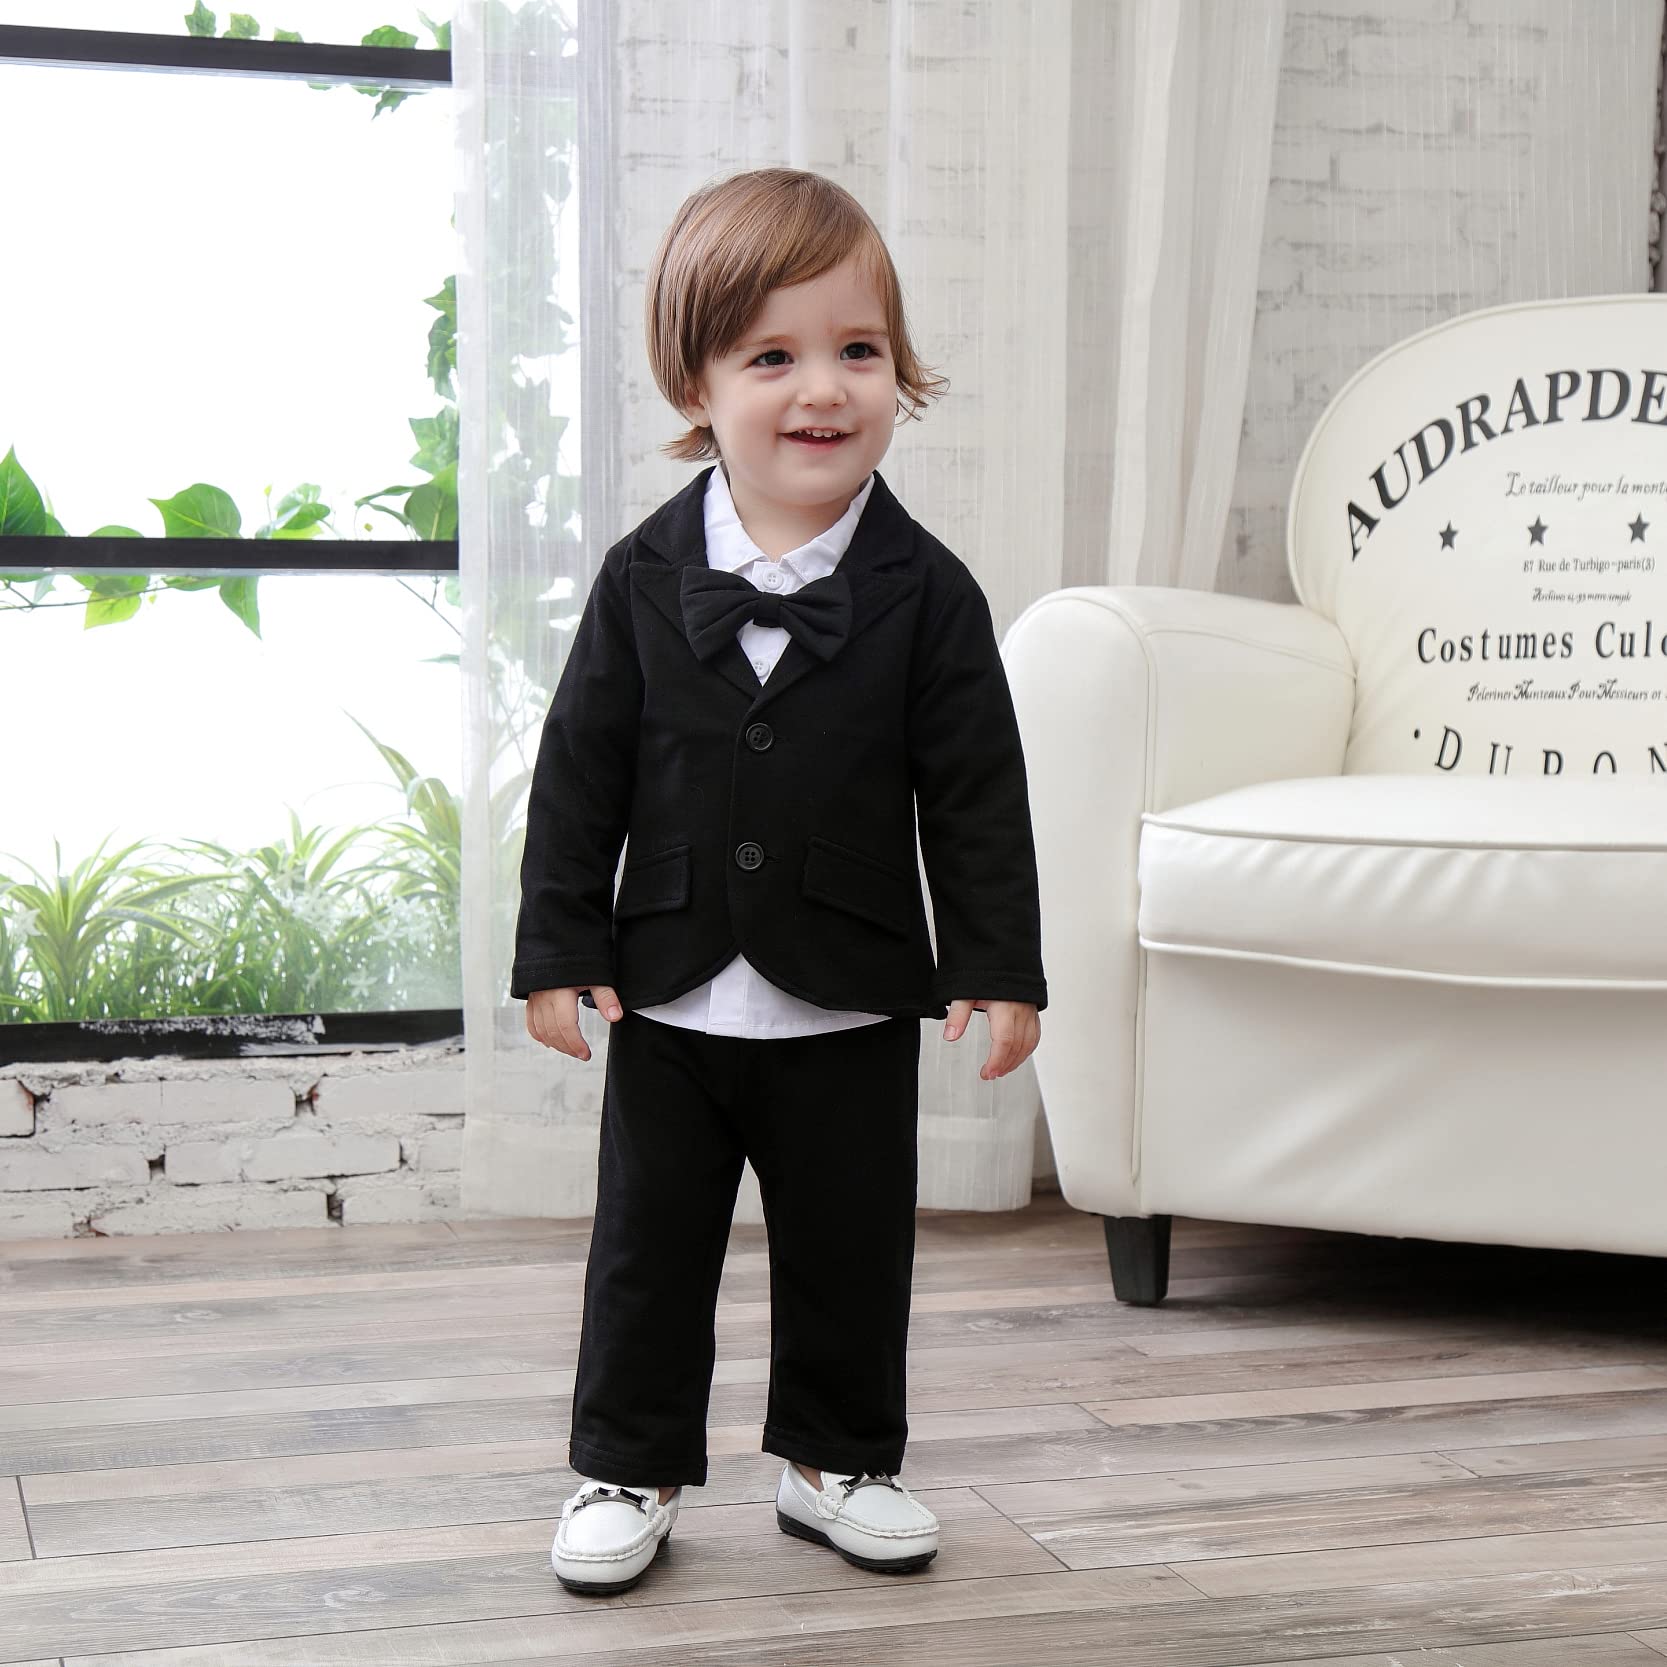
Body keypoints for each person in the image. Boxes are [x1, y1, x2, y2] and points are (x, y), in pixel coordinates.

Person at [511, 166, 1048, 1596]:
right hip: (672, 992)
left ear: (897, 370)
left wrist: (996, 965)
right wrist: (559, 947)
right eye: (772, 357)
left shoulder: (929, 593)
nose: (823, 389)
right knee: (648, 1248)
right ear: (696, 382)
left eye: (857, 350)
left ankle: (838, 1460)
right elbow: (579, 775)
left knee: (852, 1248)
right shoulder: (641, 577)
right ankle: (626, 1464)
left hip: (850, 996)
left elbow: (978, 796)